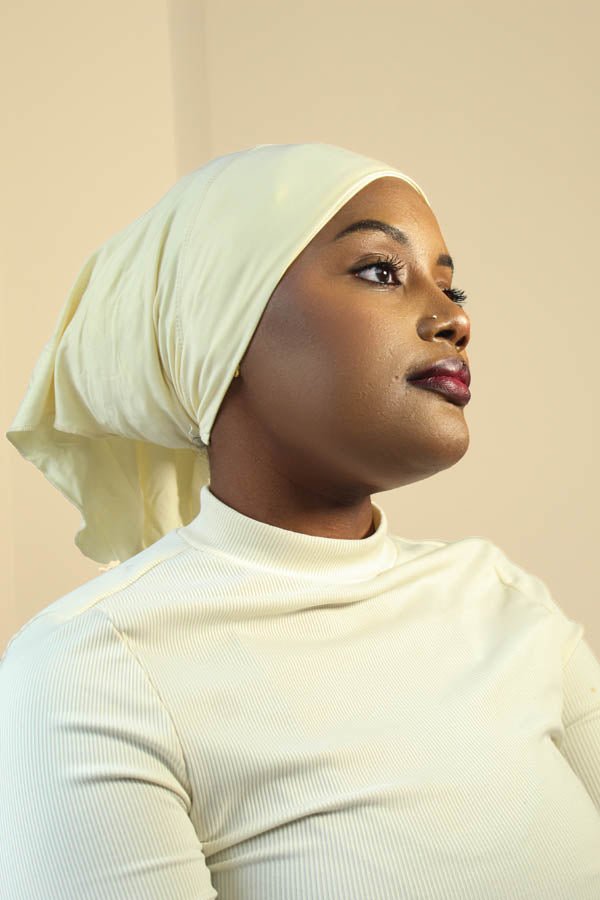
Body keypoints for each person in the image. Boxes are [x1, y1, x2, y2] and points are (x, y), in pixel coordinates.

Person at [1, 143, 599, 899]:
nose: (455, 319)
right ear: (223, 328)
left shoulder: (502, 600)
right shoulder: (97, 667)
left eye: (452, 287)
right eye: (381, 270)